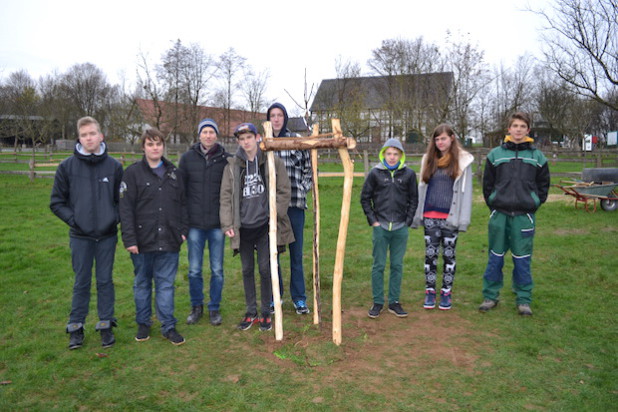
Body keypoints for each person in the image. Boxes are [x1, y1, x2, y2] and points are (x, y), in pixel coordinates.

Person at [50, 116, 123, 350]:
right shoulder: (67, 167)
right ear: (79, 138)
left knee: (104, 281)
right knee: (81, 282)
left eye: (92, 133)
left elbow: (122, 201)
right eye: (84, 135)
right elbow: (57, 202)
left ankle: (105, 325)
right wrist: (74, 220)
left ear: (101, 136)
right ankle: (76, 327)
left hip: (107, 236)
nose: (89, 138)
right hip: (80, 237)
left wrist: (113, 219)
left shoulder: (114, 167)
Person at [219, 123, 294, 331]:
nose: (246, 142)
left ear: (257, 138)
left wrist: (275, 215)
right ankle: (251, 311)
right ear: (238, 142)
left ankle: (265, 312)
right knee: (246, 269)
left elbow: (284, 190)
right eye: (241, 139)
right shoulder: (232, 166)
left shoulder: (272, 161)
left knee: (265, 268)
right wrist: (227, 224)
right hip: (243, 227)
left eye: (249, 137)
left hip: (265, 226)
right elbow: (225, 197)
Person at [119, 128, 188, 345]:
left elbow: (184, 205)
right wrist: (129, 239)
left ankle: (168, 326)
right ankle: (143, 323)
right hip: (141, 241)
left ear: (163, 146)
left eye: (158, 144)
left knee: (165, 285)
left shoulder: (174, 173)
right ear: (143, 147)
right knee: (142, 284)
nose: (155, 148)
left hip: (169, 240)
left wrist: (183, 230)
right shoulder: (132, 174)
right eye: (150, 144)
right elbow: (125, 209)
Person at [479, 112, 550, 316]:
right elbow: (487, 185)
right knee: (495, 257)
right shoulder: (495, 155)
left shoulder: (537, 157)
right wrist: (493, 203)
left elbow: (543, 185)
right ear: (508, 129)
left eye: (522, 126)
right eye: (515, 126)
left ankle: (524, 299)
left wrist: (533, 202)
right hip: (499, 215)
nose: (518, 129)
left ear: (528, 130)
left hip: (523, 217)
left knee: (522, 258)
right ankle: (490, 296)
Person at [412, 125, 474, 310]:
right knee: (430, 256)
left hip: (450, 217)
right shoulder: (428, 160)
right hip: (430, 215)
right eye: (437, 139)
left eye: (444, 138)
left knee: (449, 256)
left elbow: (466, 192)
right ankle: (430, 291)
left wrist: (463, 219)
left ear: (452, 138)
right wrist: (418, 214)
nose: (440, 142)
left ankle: (446, 293)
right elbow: (422, 187)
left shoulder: (462, 161)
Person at [179, 118, 230, 326]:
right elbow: (180, 192)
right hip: (194, 226)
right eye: (204, 132)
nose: (208, 135)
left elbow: (230, 191)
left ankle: (214, 307)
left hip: (217, 225)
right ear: (199, 135)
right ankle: (196, 306)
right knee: (194, 269)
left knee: (217, 269)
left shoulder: (226, 159)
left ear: (216, 135)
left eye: (211, 132)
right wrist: (183, 222)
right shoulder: (187, 158)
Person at [360, 138, 418, 319]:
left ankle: (394, 301)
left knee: (397, 265)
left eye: (395, 154)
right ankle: (378, 302)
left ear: (401, 155)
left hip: (400, 227)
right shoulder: (375, 173)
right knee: (378, 265)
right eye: (389, 153)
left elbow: (413, 199)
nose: (392, 157)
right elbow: (365, 198)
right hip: (381, 227)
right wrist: (373, 221)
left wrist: (408, 220)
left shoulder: (409, 174)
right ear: (383, 154)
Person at [267, 103, 312, 315]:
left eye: (280, 115)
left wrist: (303, 189)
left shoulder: (296, 140)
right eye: (273, 116)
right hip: (272, 208)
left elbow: (309, 168)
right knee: (273, 253)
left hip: (294, 204)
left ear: (285, 118)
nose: (276, 119)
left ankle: (299, 298)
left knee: (296, 254)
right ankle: (276, 296)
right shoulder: (265, 142)